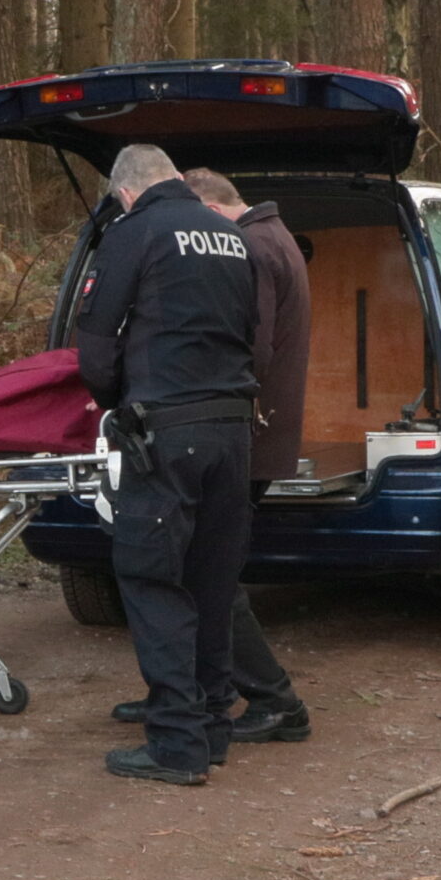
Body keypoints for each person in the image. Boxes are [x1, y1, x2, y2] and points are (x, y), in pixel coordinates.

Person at [74, 143, 259, 785]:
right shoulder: (229, 235)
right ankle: (211, 730)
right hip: (233, 431)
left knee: (152, 579)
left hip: (166, 432)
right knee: (212, 582)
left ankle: (176, 744)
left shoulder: (135, 232)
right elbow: (249, 333)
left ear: (126, 193)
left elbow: (95, 348)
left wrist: (115, 406)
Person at [109, 170, 313, 745]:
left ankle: (274, 700)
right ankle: (190, 697)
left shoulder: (251, 244)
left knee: (210, 579)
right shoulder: (273, 238)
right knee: (205, 571)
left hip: (225, 429)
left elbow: (250, 347)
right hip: (237, 429)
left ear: (211, 210)